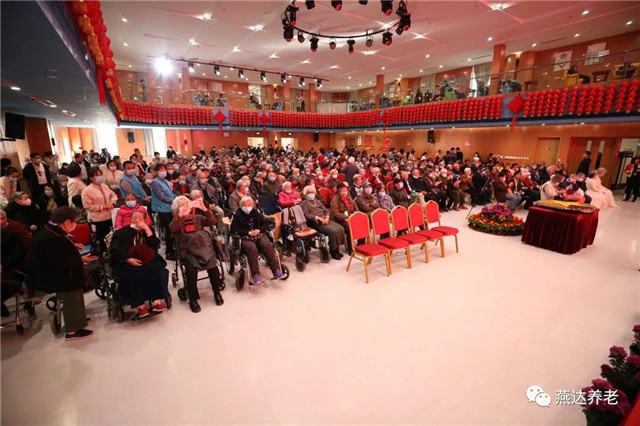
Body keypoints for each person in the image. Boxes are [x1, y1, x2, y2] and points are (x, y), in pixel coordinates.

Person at [27, 207, 96, 340]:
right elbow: (56, 261)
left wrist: (73, 246)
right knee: (71, 300)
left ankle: (79, 318)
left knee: (77, 297)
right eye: (74, 222)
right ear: (67, 222)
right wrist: (80, 259)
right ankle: (73, 330)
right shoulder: (48, 238)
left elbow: (60, 249)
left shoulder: (52, 231)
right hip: (62, 276)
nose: (75, 225)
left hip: (66, 272)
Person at [109, 210, 169, 318]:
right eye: (134, 218)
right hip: (128, 261)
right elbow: (115, 250)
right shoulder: (120, 233)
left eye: (140, 219)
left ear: (145, 220)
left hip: (147, 260)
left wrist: (146, 229)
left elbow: (155, 245)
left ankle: (156, 301)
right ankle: (140, 305)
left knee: (157, 269)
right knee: (131, 274)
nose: (136, 221)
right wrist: (128, 259)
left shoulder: (148, 230)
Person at [230, 196, 284, 285]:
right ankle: (255, 275)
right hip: (245, 237)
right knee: (252, 248)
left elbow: (265, 224)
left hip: (258, 234)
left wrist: (259, 230)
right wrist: (247, 232)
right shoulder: (237, 215)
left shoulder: (255, 212)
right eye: (246, 205)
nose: (248, 207)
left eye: (250, 205)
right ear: (241, 206)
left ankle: (276, 270)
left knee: (267, 245)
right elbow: (233, 230)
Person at [300, 186, 345, 260]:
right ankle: (332, 250)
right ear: (305, 194)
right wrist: (318, 218)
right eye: (309, 192)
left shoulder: (317, 201)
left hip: (325, 219)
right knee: (333, 231)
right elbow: (307, 215)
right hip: (316, 222)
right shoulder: (304, 203)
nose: (311, 193)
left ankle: (337, 249)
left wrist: (327, 217)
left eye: (312, 192)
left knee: (340, 228)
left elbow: (326, 210)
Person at [1, 210, 28, 317]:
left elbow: (19, 254)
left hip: (12, 270)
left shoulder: (13, 234)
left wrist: (3, 264)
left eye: (2, 219)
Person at [81, 168, 117, 247]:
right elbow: (87, 205)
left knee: (110, 237)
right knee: (100, 239)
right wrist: (102, 207)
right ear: (91, 178)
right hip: (97, 219)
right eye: (97, 175)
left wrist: (112, 203)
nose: (100, 177)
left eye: (100, 175)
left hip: (108, 217)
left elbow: (114, 195)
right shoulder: (87, 190)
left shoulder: (104, 186)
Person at [150, 164, 177, 259]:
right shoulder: (155, 183)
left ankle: (174, 247)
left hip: (170, 208)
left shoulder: (165, 181)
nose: (163, 172)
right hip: (162, 209)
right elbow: (162, 197)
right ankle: (169, 252)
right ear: (156, 172)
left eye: (164, 170)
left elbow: (170, 194)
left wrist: (178, 198)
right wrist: (174, 200)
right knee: (169, 228)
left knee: (174, 228)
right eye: (161, 170)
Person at [330, 183, 359, 253]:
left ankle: (361, 244)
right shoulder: (335, 200)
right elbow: (335, 213)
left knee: (362, 223)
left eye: (345, 190)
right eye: (342, 190)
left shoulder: (349, 198)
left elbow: (356, 209)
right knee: (349, 227)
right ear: (338, 191)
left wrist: (354, 216)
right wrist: (345, 218)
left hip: (350, 217)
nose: (344, 192)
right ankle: (350, 248)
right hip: (340, 219)